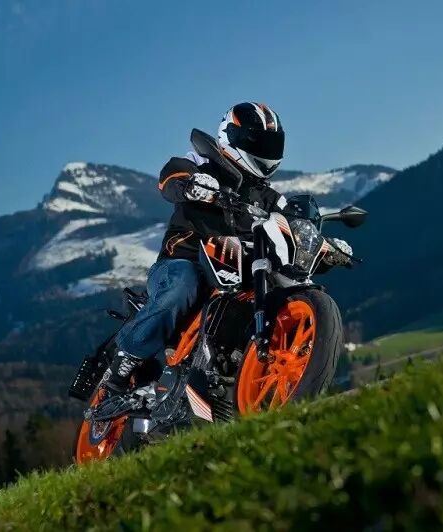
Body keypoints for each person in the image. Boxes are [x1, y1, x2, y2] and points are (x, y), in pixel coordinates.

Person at [101, 102, 349, 395]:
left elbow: (293, 228)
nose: (265, 150)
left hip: (240, 265)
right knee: (181, 287)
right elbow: (171, 177)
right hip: (185, 259)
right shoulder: (202, 163)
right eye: (258, 142)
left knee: (277, 285)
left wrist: (322, 246)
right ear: (231, 137)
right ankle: (125, 361)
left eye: (270, 143)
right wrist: (191, 184)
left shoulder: (272, 198)